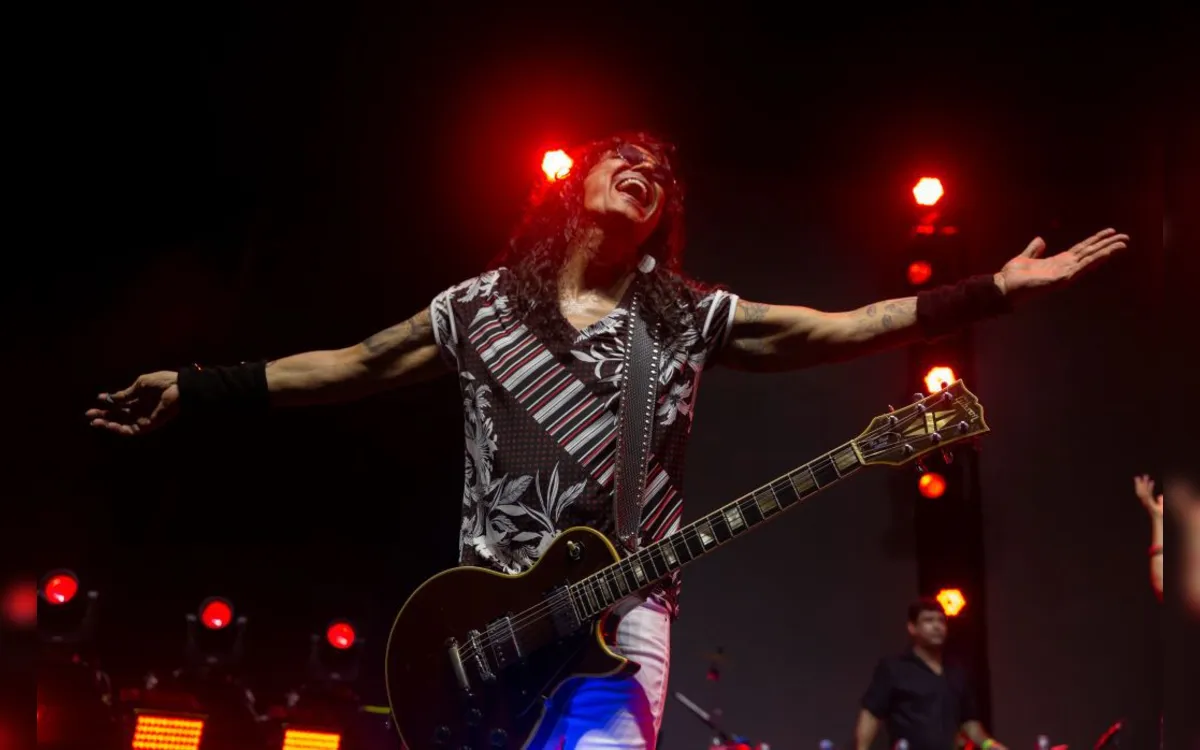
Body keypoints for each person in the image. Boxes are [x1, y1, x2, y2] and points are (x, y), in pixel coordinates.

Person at [86, 131, 1128, 750]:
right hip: (475, 626)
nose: (643, 167)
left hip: (617, 622)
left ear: (662, 213)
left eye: (659, 171)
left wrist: (992, 290)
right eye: (619, 157)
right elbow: (354, 364)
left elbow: (847, 327)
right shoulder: (480, 306)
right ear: (567, 189)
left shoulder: (683, 315)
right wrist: (198, 386)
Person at [853, 598, 1006, 750]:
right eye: (928, 620)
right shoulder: (894, 668)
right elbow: (871, 714)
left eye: (941, 621)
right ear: (912, 628)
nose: (937, 626)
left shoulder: (957, 672)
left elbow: (970, 723)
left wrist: (989, 744)